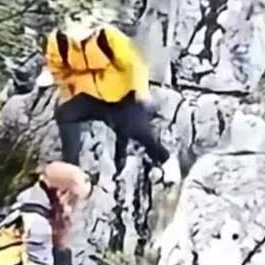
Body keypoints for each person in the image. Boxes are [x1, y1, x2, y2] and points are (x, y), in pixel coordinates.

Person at [42, 16, 181, 182]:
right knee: (65, 114)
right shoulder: (58, 42)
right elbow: (57, 68)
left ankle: (166, 160)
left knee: (138, 131)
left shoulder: (108, 36)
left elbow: (135, 64)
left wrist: (141, 93)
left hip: (122, 95)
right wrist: (67, 92)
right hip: (91, 96)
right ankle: (71, 168)